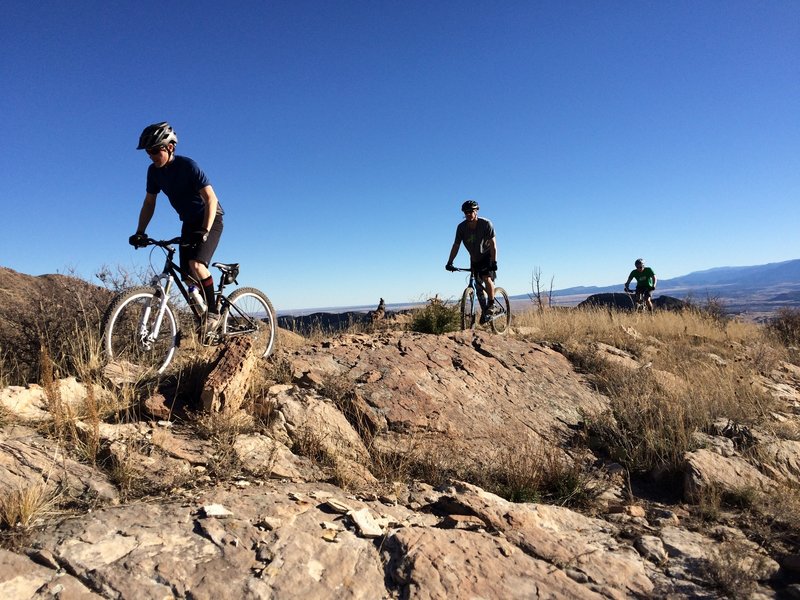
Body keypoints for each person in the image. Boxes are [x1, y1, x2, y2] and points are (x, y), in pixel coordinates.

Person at [128, 122, 225, 336]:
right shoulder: (153, 172)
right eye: (147, 152)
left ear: (170, 147)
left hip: (211, 218)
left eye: (155, 150)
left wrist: (205, 230)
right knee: (188, 278)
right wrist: (140, 232)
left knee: (196, 265)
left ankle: (214, 314)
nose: (151, 155)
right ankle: (202, 320)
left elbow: (211, 199)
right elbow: (149, 203)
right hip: (189, 223)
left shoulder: (188, 166)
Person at [446, 200, 499, 323]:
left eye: (471, 211)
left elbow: (493, 244)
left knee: (486, 278)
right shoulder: (461, 227)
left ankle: (491, 305)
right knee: (477, 286)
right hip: (474, 259)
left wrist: (494, 262)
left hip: (487, 256)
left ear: (476, 211)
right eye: (466, 212)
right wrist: (450, 262)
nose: (469, 214)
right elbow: (456, 245)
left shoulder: (486, 224)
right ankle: (485, 311)